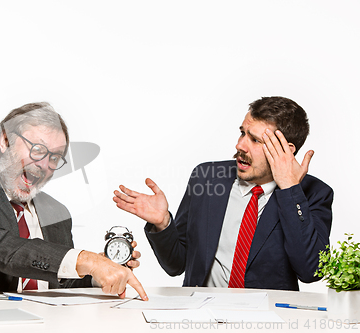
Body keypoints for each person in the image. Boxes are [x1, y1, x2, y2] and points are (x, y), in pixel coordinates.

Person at [0, 102, 147, 300]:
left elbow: (58, 275)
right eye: (38, 149)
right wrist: (85, 260)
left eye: (54, 157)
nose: (44, 165)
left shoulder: (55, 210)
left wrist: (97, 273)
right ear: (5, 141)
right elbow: (2, 248)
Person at [113, 96, 333, 291]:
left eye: (255, 140)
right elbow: (176, 265)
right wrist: (163, 223)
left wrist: (290, 190)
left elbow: (311, 271)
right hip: (201, 316)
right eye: (242, 133)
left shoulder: (314, 193)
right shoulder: (207, 177)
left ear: (286, 149)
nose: (240, 145)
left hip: (266, 321)